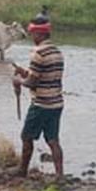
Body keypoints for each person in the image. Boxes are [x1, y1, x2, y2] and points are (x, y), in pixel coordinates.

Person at [13, 11, 65, 179]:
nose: (31, 36)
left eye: (33, 33)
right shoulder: (57, 52)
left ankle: (22, 170)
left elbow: (32, 82)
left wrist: (18, 80)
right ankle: (59, 175)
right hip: (56, 103)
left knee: (26, 137)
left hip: (41, 104)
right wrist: (26, 72)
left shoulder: (38, 53)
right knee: (53, 140)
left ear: (39, 33)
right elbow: (44, 74)